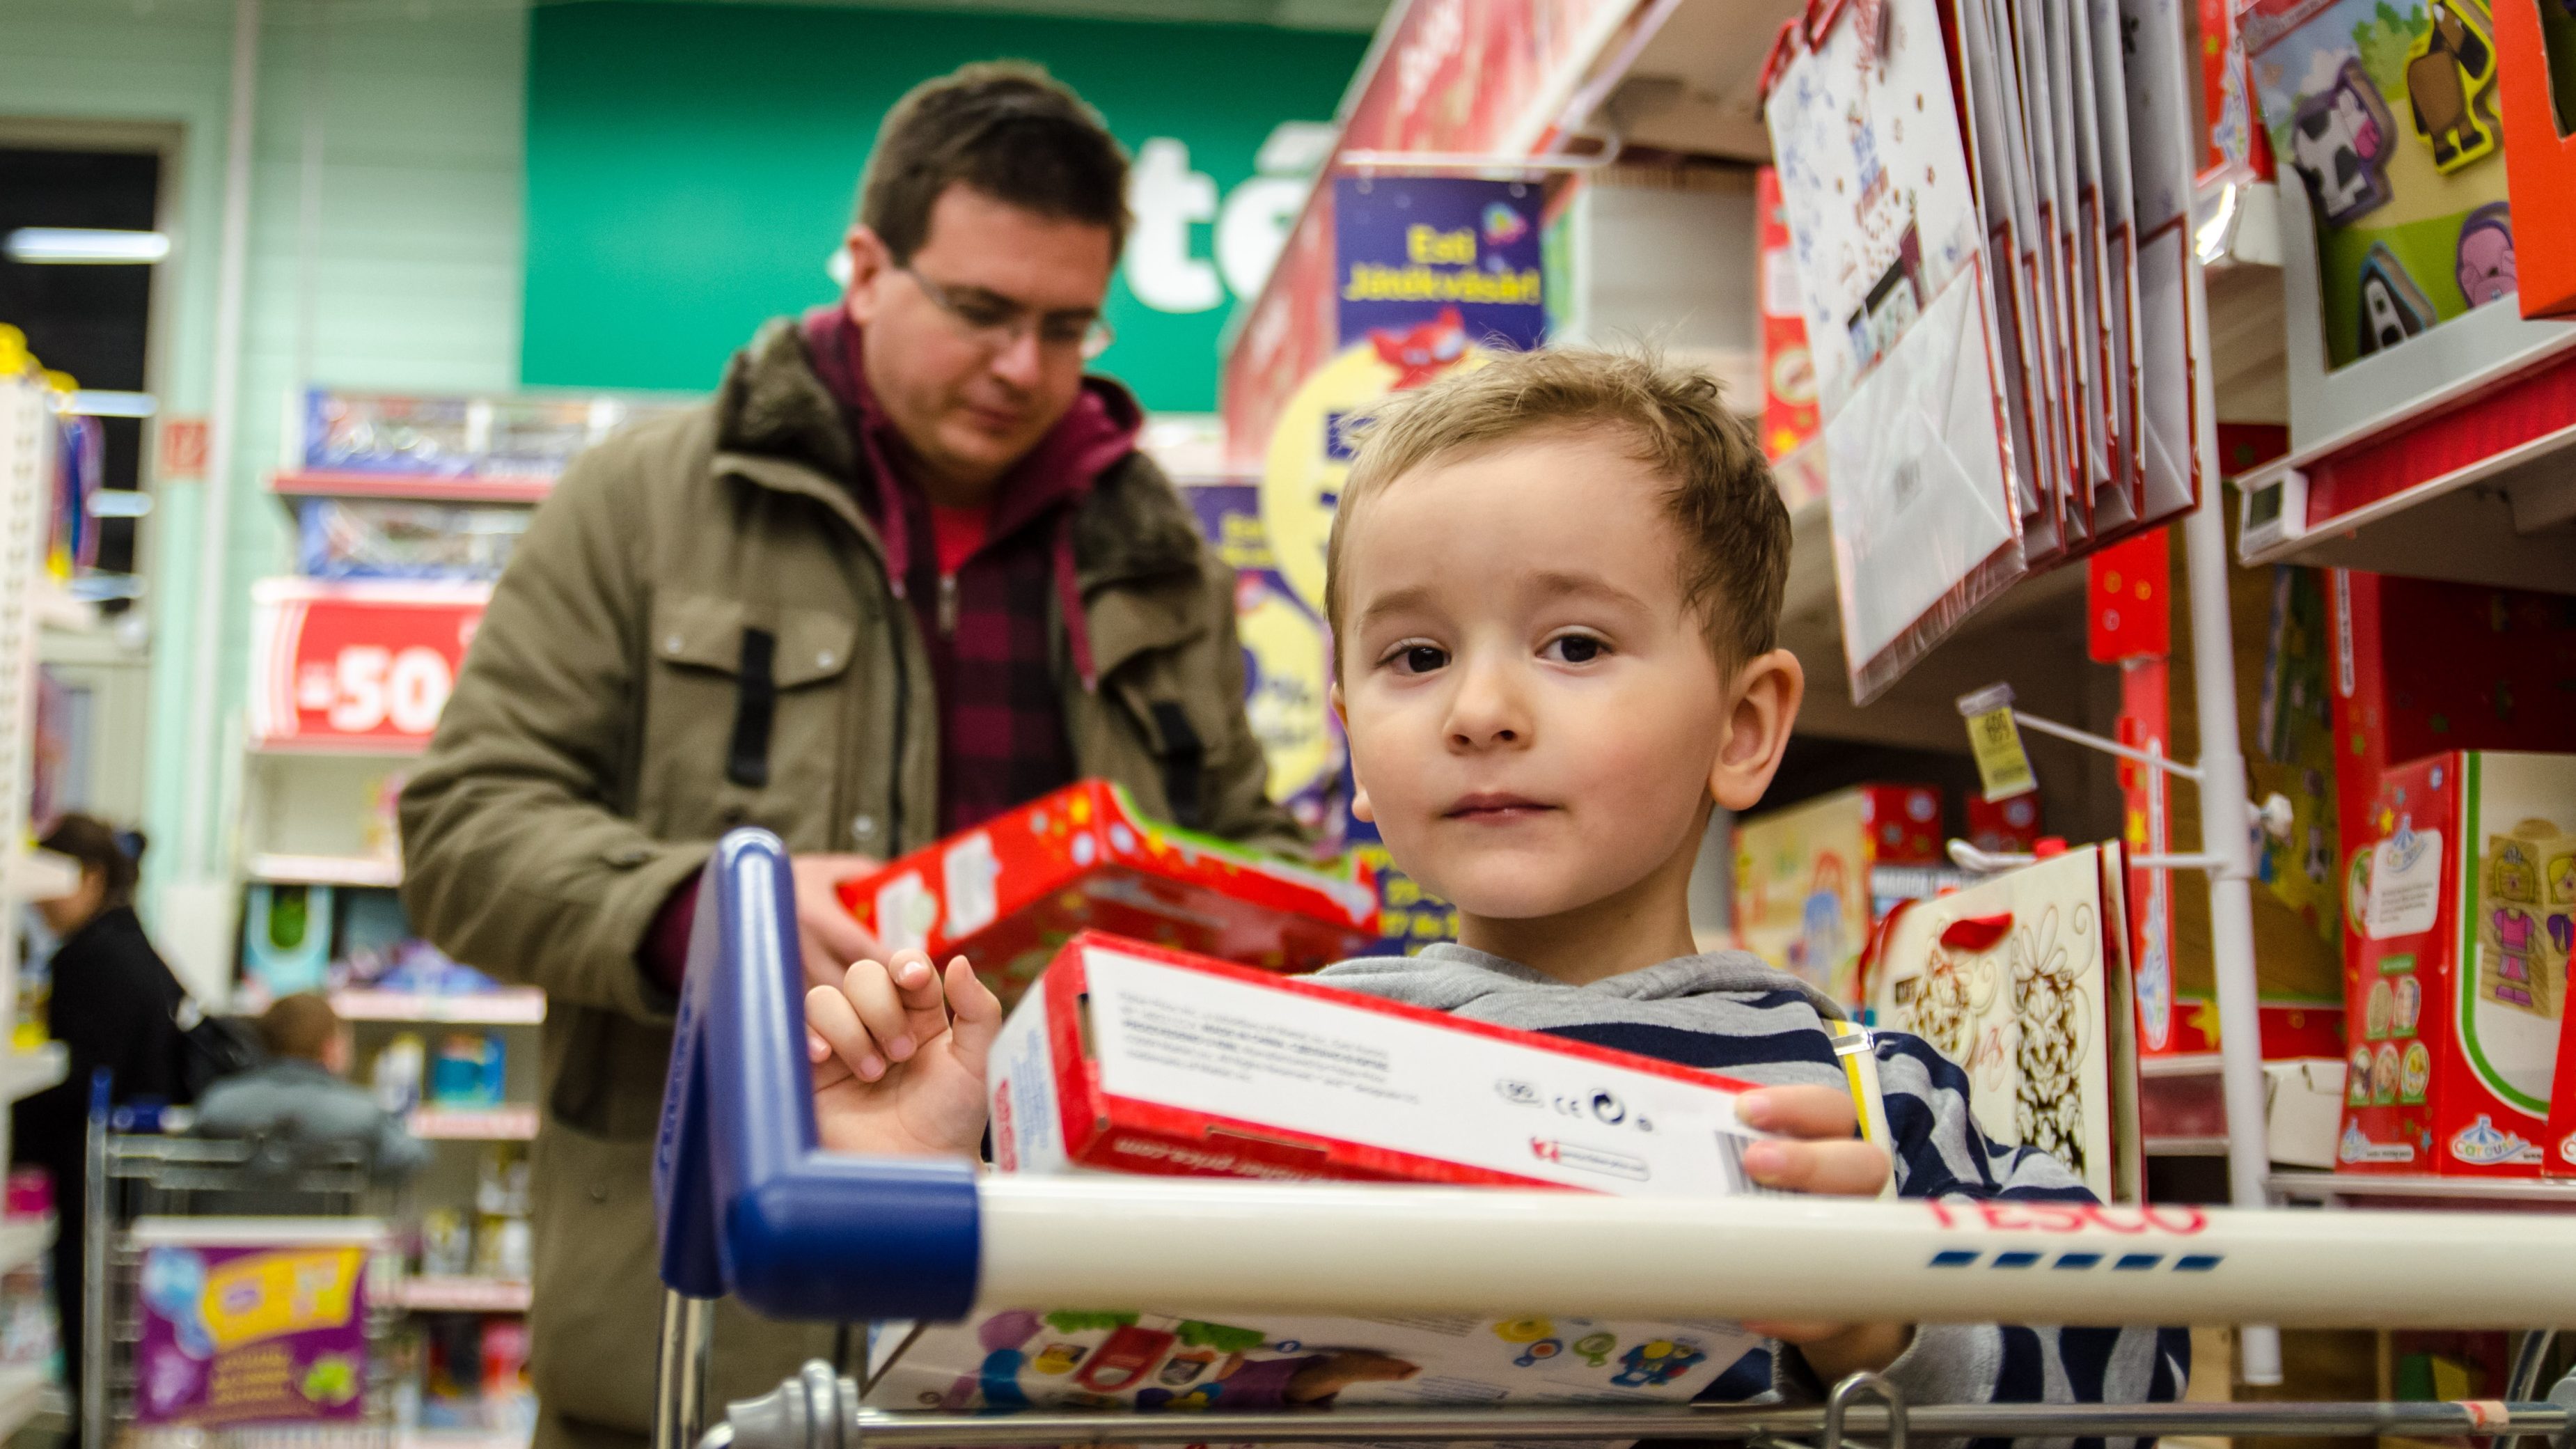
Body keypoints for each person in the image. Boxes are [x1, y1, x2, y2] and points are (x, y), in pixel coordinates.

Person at [802, 348, 2190, 1413]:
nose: (1477, 708)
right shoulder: (1264, 1068)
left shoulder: (1863, 1098)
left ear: (1744, 724)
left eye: (1574, 642)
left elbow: (2142, 1371)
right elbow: (1020, 1388)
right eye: (1411, 658)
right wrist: (932, 1189)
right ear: (1350, 745)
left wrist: (1872, 1314)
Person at [397, 61, 1297, 1449]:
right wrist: (709, 912)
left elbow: (1244, 832)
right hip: (693, 1324)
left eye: (1065, 326)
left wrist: (1247, 915)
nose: (1023, 368)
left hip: (1048, 1329)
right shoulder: (642, 503)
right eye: (982, 310)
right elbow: (462, 827)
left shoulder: (1148, 546)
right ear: (867, 266)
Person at [10, 815, 186, 1435]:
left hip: (96, 1166)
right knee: (116, 1313)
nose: (38, 900)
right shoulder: (130, 944)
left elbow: (81, 1072)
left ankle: (93, 1427)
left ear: (88, 878)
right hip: (134, 1166)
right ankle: (101, 1423)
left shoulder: (93, 957)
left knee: (91, 1300)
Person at [196, 994, 430, 1178]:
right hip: (328, 1237)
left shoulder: (218, 1102)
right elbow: (413, 1157)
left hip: (230, 1235)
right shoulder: (363, 1113)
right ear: (330, 1049)